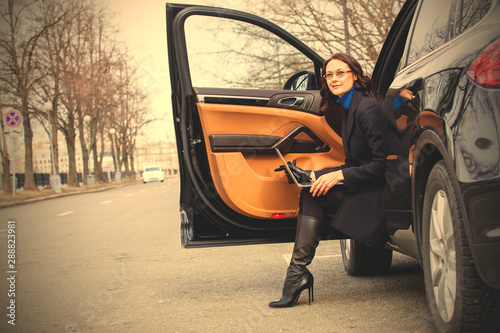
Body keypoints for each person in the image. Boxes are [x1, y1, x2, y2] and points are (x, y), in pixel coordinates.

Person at [270, 53, 388, 308]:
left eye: (340, 73)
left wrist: (339, 175)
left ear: (354, 75)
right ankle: (296, 275)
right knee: (312, 189)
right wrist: (314, 175)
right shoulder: (350, 107)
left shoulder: (367, 108)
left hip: (381, 196)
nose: (334, 79)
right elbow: (355, 162)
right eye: (329, 74)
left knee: (313, 194)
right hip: (365, 187)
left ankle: (296, 276)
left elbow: (382, 166)